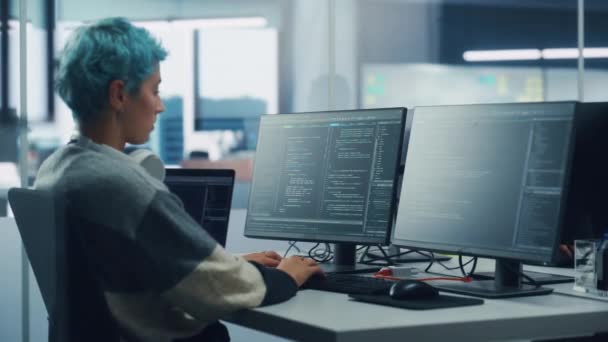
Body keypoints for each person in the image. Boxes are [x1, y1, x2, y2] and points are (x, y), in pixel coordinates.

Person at [35, 17, 323, 342]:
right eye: (154, 90)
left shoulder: (57, 169)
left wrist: (228, 263)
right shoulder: (124, 186)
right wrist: (287, 276)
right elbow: (226, 291)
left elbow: (126, 267)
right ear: (118, 94)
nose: (159, 106)